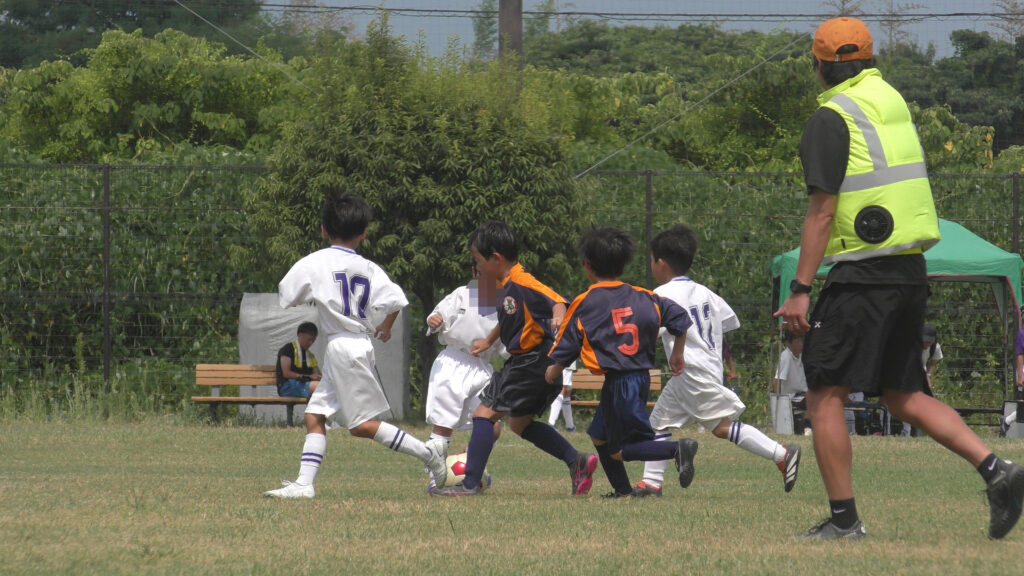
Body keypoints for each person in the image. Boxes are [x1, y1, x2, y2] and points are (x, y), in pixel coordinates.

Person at [774, 16, 1024, 540]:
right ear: (869, 59)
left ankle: (845, 523)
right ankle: (997, 470)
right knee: (902, 393)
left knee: (824, 394)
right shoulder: (891, 102)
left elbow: (822, 210)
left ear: (818, 66)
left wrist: (799, 289)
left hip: (863, 273)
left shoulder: (832, 115)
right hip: (910, 268)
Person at [263, 192, 448, 499]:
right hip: (354, 344)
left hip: (343, 348)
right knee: (315, 415)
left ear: (324, 229)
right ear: (363, 233)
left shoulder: (315, 261)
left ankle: (428, 453)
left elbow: (287, 293)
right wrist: (385, 327)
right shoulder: (369, 268)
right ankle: (304, 484)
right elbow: (396, 300)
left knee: (361, 426)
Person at [432, 220, 598, 496]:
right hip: (536, 363)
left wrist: (558, 317)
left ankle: (469, 484)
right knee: (520, 424)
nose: (477, 268)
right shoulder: (504, 285)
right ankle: (576, 460)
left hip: (531, 361)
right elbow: (511, 318)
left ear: (496, 258)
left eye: (478, 261)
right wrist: (489, 340)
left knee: (483, 414)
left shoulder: (522, 282)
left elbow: (558, 301)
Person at [635, 225, 800, 498]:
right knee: (659, 423)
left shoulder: (661, 295)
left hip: (691, 371)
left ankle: (782, 454)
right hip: (705, 369)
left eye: (651, 259)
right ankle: (651, 483)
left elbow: (650, 332)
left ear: (660, 262)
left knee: (721, 428)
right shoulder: (706, 292)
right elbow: (726, 322)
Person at [546, 227, 696, 498]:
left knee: (621, 449)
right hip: (637, 378)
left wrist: (551, 372)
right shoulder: (644, 295)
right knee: (598, 434)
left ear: (588, 266)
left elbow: (566, 347)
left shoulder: (585, 302)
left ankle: (677, 449)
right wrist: (678, 352)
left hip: (621, 383)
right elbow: (681, 318)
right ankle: (623, 491)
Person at [423, 270, 505, 490]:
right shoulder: (462, 293)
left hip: (482, 367)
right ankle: (436, 479)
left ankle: (470, 466)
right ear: (475, 272)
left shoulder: (506, 304)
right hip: (452, 363)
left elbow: (508, 344)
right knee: (443, 425)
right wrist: (434, 320)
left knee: (492, 424)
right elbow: (437, 315)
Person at [774, 330, 809, 435]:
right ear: (788, 343)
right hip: (791, 397)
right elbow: (777, 381)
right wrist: (779, 403)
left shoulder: (802, 356)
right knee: (814, 400)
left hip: (802, 394)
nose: (801, 344)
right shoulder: (786, 357)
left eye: (801, 341)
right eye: (797, 341)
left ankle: (808, 427)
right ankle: (808, 427)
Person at [275, 322, 322, 399]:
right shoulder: (288, 349)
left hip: (304, 384)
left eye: (313, 340)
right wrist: (309, 377)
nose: (311, 343)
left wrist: (318, 377)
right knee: (319, 387)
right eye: (309, 339)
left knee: (326, 387)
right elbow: (286, 373)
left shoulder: (309, 355)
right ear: (299, 335)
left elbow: (317, 373)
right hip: (288, 386)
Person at [547, 361, 577, 432]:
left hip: (566, 364)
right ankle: (551, 423)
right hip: (565, 363)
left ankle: (570, 426)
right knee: (562, 390)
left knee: (566, 393)